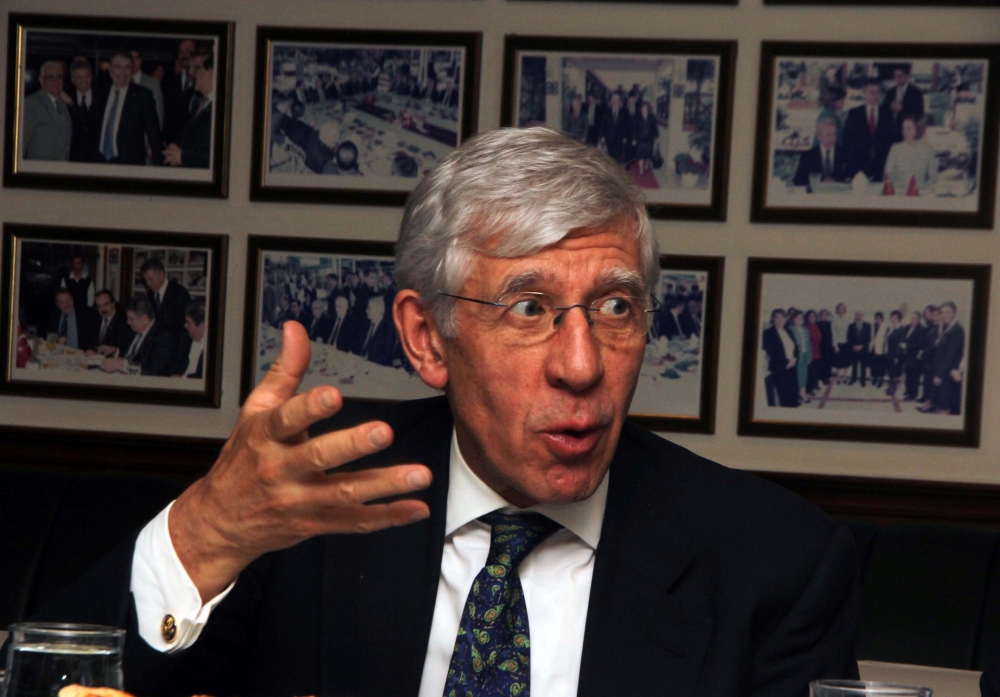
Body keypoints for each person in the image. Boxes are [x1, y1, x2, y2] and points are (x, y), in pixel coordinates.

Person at [35, 128, 859, 697]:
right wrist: (207, 531)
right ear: (427, 338)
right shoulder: (306, 511)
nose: (583, 366)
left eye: (616, 306)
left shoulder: (773, 561)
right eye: (529, 308)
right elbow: (48, 680)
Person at [91, 50, 163, 165]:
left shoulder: (143, 96)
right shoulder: (99, 93)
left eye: (127, 67)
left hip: (129, 166)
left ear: (132, 70)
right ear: (110, 69)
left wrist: (159, 169)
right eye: (118, 67)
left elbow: (155, 137)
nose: (122, 72)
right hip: (99, 163)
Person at [163, 47, 213, 168]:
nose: (191, 73)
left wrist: (182, 156)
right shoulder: (200, 102)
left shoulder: (223, 108)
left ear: (212, 72)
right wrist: (175, 147)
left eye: (197, 68)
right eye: (189, 68)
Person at [100, 296, 176, 376]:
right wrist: (114, 350)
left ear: (144, 318)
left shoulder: (163, 337)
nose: (128, 322)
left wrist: (123, 365)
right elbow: (128, 353)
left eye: (130, 319)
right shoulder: (133, 330)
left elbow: (153, 370)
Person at [842, 78, 893, 182]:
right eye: (871, 92)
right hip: (858, 167)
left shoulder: (887, 113)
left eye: (877, 92)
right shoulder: (854, 114)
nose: (875, 96)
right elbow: (847, 141)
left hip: (881, 166)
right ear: (864, 94)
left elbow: (891, 140)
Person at [919, 301, 964, 415]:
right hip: (941, 370)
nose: (944, 315)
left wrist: (940, 375)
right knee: (939, 403)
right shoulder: (947, 327)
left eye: (947, 312)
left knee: (944, 406)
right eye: (942, 312)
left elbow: (951, 356)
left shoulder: (957, 329)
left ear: (954, 313)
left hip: (946, 374)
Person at [23, 61, 72, 161]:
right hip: (40, 167)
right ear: (42, 80)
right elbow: (21, 144)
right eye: (51, 77)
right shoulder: (31, 104)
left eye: (59, 77)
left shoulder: (63, 103)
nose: (56, 81)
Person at [882, 116, 938, 196]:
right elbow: (888, 173)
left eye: (908, 129)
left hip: (920, 194)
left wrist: (924, 189)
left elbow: (933, 177)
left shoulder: (927, 150)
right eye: (903, 128)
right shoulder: (895, 148)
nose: (905, 132)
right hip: (898, 195)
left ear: (916, 130)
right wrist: (894, 190)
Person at [141, 257, 191, 344]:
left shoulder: (179, 293)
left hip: (174, 343)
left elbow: (183, 326)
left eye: (150, 279)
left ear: (161, 274)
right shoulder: (149, 294)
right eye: (146, 280)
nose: (148, 283)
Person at [793, 118, 848, 191]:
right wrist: (819, 183)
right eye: (828, 135)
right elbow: (798, 181)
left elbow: (851, 178)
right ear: (819, 136)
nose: (833, 138)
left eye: (834, 134)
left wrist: (835, 183)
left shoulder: (845, 154)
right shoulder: (808, 156)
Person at [161, 39, 197, 146]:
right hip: (173, 142)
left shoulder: (203, 80)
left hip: (196, 141)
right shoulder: (168, 80)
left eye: (188, 51)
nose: (184, 56)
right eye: (181, 52)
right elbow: (165, 112)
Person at [65, 59, 97, 162]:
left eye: (87, 76)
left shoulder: (101, 97)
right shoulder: (65, 99)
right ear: (72, 80)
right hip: (74, 158)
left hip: (97, 159)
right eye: (79, 77)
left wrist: (71, 104)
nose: (84, 81)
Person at [88, 289, 134, 358]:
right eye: (99, 306)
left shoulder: (124, 322)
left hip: (112, 361)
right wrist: (90, 350)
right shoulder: (94, 319)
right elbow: (89, 343)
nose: (102, 309)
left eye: (105, 304)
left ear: (113, 304)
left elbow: (125, 349)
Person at [884, 66, 924, 143]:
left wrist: (903, 108)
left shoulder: (916, 92)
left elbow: (920, 112)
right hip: (890, 131)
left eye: (900, 76)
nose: (897, 78)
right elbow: (883, 110)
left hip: (907, 131)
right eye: (895, 76)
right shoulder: (890, 92)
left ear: (907, 76)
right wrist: (891, 106)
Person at [130, 50, 165, 130]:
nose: (133, 62)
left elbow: (158, 113)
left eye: (136, 58)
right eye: (131, 58)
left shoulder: (153, 83)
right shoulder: (122, 82)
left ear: (141, 60)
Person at [173, 300, 207, 378]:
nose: (185, 325)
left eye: (188, 322)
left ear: (202, 325)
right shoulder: (187, 340)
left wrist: (182, 379)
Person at [899, 310, 926, 401]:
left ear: (918, 319)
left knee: (914, 377)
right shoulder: (907, 327)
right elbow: (903, 336)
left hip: (915, 357)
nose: (912, 320)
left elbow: (919, 343)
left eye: (914, 318)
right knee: (908, 375)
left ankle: (913, 394)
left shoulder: (921, 329)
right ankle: (908, 391)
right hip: (906, 356)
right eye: (911, 318)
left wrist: (907, 346)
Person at [788, 310, 812, 404]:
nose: (799, 320)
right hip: (794, 358)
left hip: (805, 356)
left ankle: (802, 393)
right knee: (795, 377)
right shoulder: (789, 329)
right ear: (793, 319)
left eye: (801, 318)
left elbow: (808, 344)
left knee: (803, 375)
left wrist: (809, 356)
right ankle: (798, 394)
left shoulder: (805, 330)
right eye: (797, 318)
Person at [632, 101, 659, 176]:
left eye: (646, 107)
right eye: (643, 107)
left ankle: (646, 164)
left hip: (649, 139)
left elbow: (655, 128)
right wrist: (634, 139)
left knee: (648, 153)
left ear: (648, 108)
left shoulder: (652, 116)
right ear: (641, 109)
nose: (644, 109)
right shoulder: (637, 116)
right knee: (640, 154)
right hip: (640, 139)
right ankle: (641, 169)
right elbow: (634, 128)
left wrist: (657, 137)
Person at [847, 310, 871, 387]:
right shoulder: (851, 325)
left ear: (863, 316)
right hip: (854, 349)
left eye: (860, 315)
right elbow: (849, 337)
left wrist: (862, 346)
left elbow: (868, 338)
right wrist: (853, 346)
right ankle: (853, 379)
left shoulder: (868, 325)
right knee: (854, 365)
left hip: (863, 349)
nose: (859, 316)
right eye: (857, 315)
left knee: (863, 365)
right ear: (855, 316)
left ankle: (863, 380)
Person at [884, 310, 906, 396]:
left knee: (894, 373)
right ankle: (890, 387)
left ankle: (893, 388)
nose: (893, 319)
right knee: (890, 372)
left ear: (899, 319)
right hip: (889, 353)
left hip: (895, 355)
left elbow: (900, 344)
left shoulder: (900, 329)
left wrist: (897, 357)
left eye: (896, 318)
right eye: (892, 317)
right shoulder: (890, 328)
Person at [831, 303, 851, 383]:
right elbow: (833, 333)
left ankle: (845, 376)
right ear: (837, 309)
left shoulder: (848, 319)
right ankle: (838, 377)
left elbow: (851, 331)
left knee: (846, 361)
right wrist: (835, 345)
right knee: (838, 362)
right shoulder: (834, 320)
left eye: (842, 308)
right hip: (838, 343)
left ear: (845, 309)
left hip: (847, 343)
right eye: (839, 308)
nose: (841, 310)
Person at [805, 309, 823, 395]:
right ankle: (809, 388)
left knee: (816, 370)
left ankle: (815, 384)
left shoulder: (816, 326)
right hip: (809, 351)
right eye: (810, 316)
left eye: (813, 316)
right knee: (810, 371)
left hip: (817, 350)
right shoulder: (805, 327)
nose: (812, 318)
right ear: (807, 317)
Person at [869, 311, 889, 388]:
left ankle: (880, 380)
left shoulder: (885, 326)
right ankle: (875, 378)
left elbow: (886, 339)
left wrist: (884, 349)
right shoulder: (873, 326)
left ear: (882, 318)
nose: (878, 320)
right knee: (874, 365)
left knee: (881, 366)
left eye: (879, 318)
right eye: (876, 318)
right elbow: (872, 337)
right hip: (874, 348)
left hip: (882, 349)